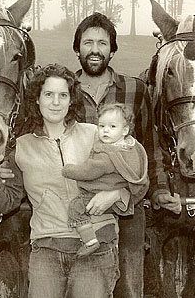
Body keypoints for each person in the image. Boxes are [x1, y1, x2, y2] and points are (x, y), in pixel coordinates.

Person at [0, 64, 120, 298]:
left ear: (72, 100)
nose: (56, 102)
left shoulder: (95, 135)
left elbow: (136, 177)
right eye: (49, 94)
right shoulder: (21, 147)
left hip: (96, 248)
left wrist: (116, 194)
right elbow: (7, 203)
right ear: (36, 100)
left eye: (63, 95)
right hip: (47, 251)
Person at [72, 12, 181, 297]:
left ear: (112, 49)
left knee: (130, 285)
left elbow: (151, 145)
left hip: (128, 205)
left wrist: (158, 190)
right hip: (83, 201)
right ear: (77, 48)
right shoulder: (63, 90)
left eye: (102, 43)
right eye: (88, 43)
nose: (95, 50)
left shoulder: (135, 88)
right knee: (84, 282)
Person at [62, 103, 149, 258]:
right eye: (101, 126)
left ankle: (89, 241)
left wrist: (68, 170)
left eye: (112, 126)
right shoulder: (131, 147)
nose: (105, 130)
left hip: (102, 191)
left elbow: (88, 171)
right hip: (121, 196)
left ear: (125, 130)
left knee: (76, 208)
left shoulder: (107, 154)